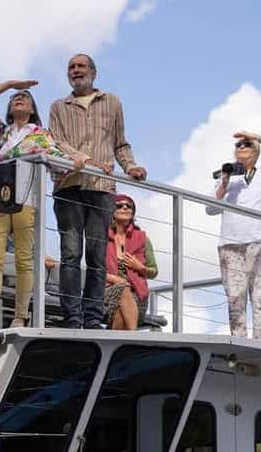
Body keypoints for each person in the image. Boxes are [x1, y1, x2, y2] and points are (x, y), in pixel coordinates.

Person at [49, 54, 147, 329]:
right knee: (70, 254)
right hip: (69, 186)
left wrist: (131, 166)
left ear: (93, 72)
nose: (76, 71)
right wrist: (86, 160)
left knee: (96, 257)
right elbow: (56, 142)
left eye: (81, 66)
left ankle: (92, 318)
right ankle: (72, 317)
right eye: (71, 67)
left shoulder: (112, 101)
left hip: (102, 189)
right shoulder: (59, 106)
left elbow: (120, 144)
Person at [0, 79, 66, 330]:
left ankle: (20, 316)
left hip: (26, 199)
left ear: (33, 107)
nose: (19, 98)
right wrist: (12, 85)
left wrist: (79, 159)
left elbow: (59, 160)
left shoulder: (41, 135)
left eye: (24, 97)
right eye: (15, 97)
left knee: (24, 259)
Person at [212, 131, 261, 341]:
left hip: (259, 240)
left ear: (256, 152)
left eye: (246, 144)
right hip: (230, 243)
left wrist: (257, 136)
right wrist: (224, 182)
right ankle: (239, 341)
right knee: (235, 297)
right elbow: (210, 208)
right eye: (238, 145)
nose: (241, 147)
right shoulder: (225, 178)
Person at [104, 194, 158, 330]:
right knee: (123, 288)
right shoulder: (102, 237)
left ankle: (121, 345)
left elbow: (154, 271)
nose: (125, 208)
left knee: (120, 317)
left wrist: (140, 268)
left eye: (129, 206)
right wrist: (116, 279)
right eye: (120, 205)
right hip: (107, 290)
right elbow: (95, 269)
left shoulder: (142, 238)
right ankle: (133, 340)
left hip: (137, 295)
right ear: (111, 210)